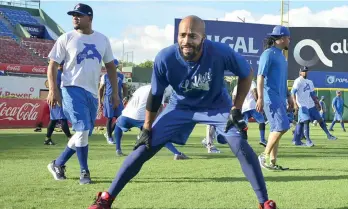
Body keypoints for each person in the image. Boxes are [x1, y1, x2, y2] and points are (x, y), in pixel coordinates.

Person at [88, 15, 277, 209]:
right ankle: (106, 198)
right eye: (182, 35)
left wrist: (236, 108)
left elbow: (246, 74)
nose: (187, 41)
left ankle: (264, 202)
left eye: (193, 36)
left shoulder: (220, 52)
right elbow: (155, 95)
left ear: (203, 38)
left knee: (240, 145)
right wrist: (146, 127)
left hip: (216, 106)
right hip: (180, 107)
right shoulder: (165, 57)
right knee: (144, 147)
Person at [46, 3, 119, 185]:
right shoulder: (66, 38)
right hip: (71, 89)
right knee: (83, 129)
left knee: (84, 133)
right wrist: (53, 90)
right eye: (73, 15)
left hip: (92, 94)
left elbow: (111, 67)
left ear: (90, 18)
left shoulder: (102, 39)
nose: (75, 17)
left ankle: (58, 163)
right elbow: (53, 65)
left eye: (79, 14)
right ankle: (84, 172)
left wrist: (115, 93)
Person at [112, 84, 188, 160]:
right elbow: (160, 107)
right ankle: (177, 153)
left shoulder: (142, 88)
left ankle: (118, 149)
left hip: (127, 114)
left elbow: (131, 99)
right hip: (142, 118)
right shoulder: (159, 90)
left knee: (118, 124)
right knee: (159, 135)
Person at [256, 25, 294, 171]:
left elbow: (282, 80)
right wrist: (260, 98)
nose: (290, 41)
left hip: (279, 98)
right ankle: (263, 156)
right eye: (289, 38)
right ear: (282, 38)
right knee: (283, 126)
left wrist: (289, 95)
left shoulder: (282, 57)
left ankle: (272, 162)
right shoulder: (268, 54)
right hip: (269, 97)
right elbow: (260, 76)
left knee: (275, 129)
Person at [291, 66, 336, 147]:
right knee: (306, 121)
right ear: (300, 72)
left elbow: (312, 94)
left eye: (306, 71)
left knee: (318, 120)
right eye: (303, 71)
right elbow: (293, 92)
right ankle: (308, 140)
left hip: (310, 105)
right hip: (302, 105)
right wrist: (295, 104)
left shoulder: (309, 82)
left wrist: (317, 103)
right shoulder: (298, 81)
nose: (305, 72)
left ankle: (328, 135)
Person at [99, 59, 128, 145]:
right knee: (110, 118)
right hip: (108, 99)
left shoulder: (121, 76)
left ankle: (108, 132)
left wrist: (125, 97)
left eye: (114, 66)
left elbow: (125, 87)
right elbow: (101, 89)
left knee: (120, 118)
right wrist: (100, 101)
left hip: (118, 99)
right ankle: (109, 136)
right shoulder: (105, 76)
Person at [45, 61, 73, 146]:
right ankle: (70, 138)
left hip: (53, 98)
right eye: (62, 64)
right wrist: (59, 100)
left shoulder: (57, 73)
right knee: (62, 118)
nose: (63, 66)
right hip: (58, 98)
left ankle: (47, 139)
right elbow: (56, 87)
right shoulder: (59, 73)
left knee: (53, 120)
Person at [232, 80, 267, 147]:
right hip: (252, 105)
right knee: (261, 121)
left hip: (243, 108)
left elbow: (234, 98)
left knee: (244, 124)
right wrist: (257, 101)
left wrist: (236, 108)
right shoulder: (251, 82)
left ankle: (244, 141)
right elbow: (254, 92)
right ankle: (262, 139)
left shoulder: (237, 86)